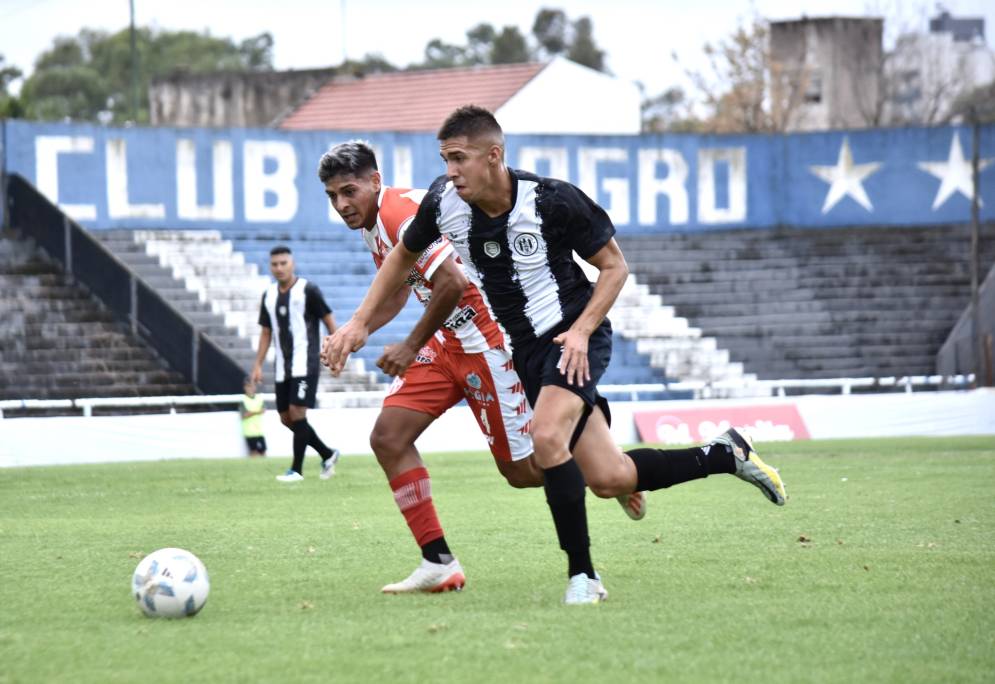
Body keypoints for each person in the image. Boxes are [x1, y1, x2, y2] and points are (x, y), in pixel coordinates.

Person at [326, 105, 787, 605]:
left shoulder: (550, 200)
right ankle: (724, 453)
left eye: (459, 158)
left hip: (546, 341)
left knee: (541, 450)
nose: (450, 171)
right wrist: (359, 324)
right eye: (445, 159)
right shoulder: (441, 203)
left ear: (493, 156)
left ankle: (584, 576)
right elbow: (403, 263)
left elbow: (609, 267)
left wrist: (584, 330)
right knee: (607, 478)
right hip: (505, 347)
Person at [316, 141, 645, 594]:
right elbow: (398, 290)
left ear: (375, 181)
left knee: (525, 472)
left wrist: (410, 344)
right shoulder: (373, 225)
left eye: (349, 191)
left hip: (488, 343)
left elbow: (451, 282)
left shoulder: (400, 215)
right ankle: (437, 561)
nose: (341, 204)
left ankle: (604, 461)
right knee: (388, 437)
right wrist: (360, 329)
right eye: (333, 196)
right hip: (447, 343)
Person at [251, 245, 341, 482]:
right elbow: (266, 332)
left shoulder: (308, 290)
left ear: (292, 264)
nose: (279, 268)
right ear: (270, 267)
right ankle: (327, 453)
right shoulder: (268, 295)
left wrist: (337, 352)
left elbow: (329, 321)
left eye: (283, 263)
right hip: (282, 365)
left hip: (306, 362)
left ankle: (296, 471)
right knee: (286, 417)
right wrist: (258, 365)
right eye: (275, 264)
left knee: (296, 412)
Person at [240, 377, 267, 457]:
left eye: (252, 386)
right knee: (253, 452)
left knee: (263, 451)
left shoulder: (259, 398)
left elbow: (263, 410)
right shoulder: (243, 400)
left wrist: (251, 412)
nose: (251, 388)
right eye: (248, 386)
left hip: (259, 431)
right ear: (245, 387)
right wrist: (257, 412)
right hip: (249, 432)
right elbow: (244, 415)